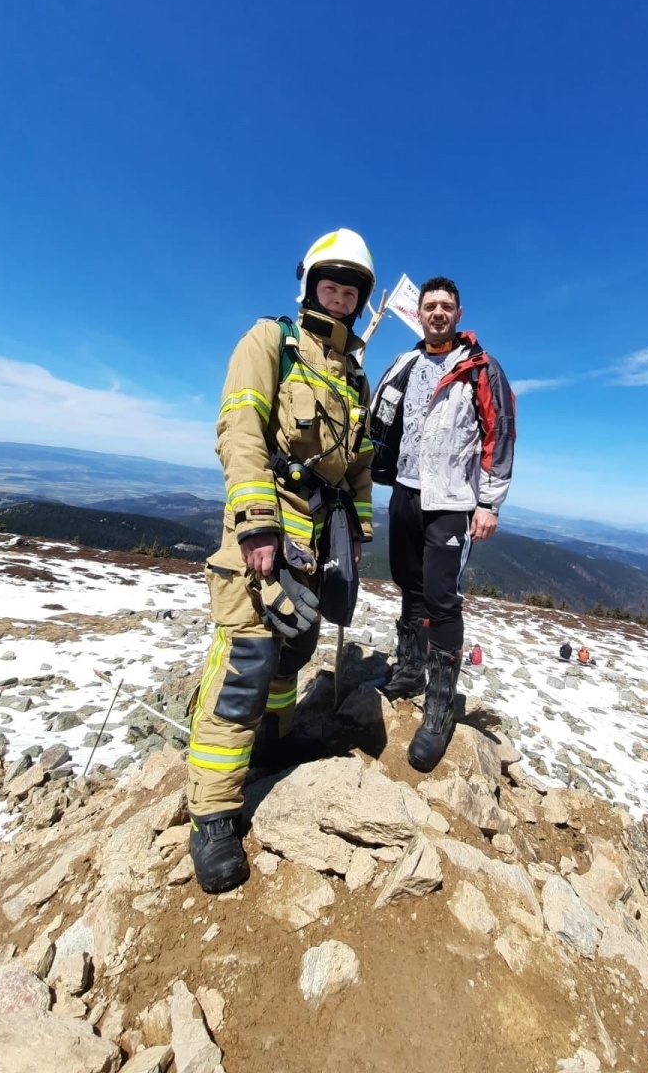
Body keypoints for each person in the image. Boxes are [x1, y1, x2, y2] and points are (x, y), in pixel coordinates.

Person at [188, 229, 376, 894]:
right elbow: (238, 430)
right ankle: (211, 813)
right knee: (245, 661)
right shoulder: (272, 342)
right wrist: (255, 523)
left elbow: (358, 467)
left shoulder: (354, 376)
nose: (342, 297)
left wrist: (358, 531)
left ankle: (274, 740)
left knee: (292, 654)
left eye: (352, 290)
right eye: (333, 285)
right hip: (262, 534)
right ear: (311, 286)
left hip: (316, 543)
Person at [370, 276, 516, 772]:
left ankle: (439, 706)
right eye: (430, 305)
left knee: (441, 596)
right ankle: (409, 669)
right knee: (406, 581)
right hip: (406, 490)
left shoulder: (479, 368)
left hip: (453, 498)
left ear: (457, 312)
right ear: (421, 313)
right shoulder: (405, 363)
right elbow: (378, 416)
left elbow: (499, 434)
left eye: (445, 306)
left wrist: (490, 503)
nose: (437, 312)